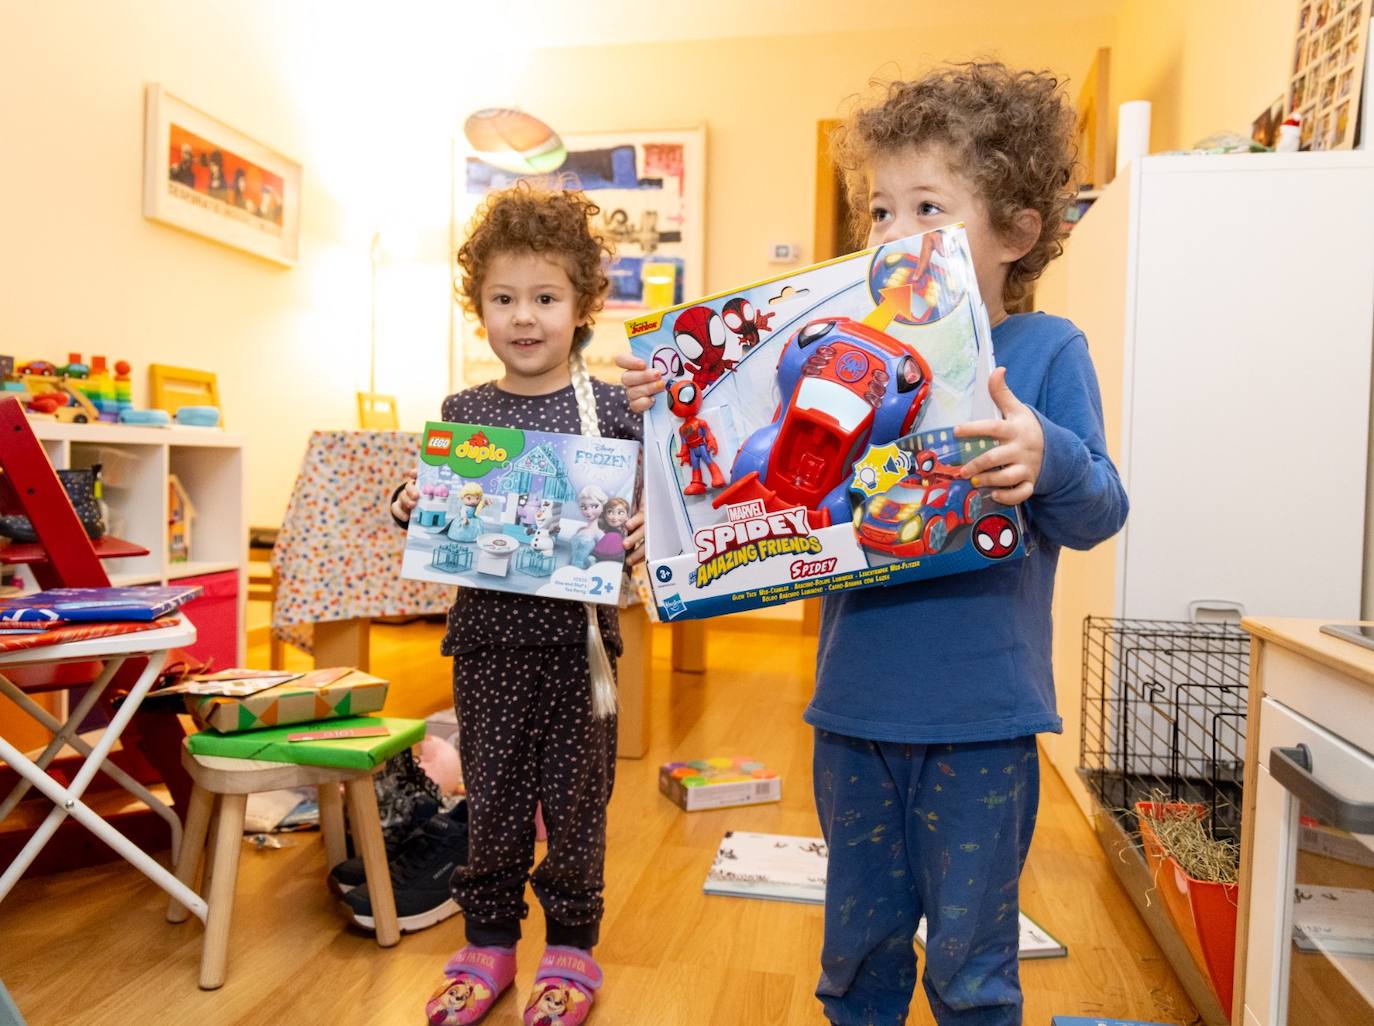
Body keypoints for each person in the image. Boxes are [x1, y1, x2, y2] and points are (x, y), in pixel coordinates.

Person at [618, 62, 1129, 1026]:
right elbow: (768, 482)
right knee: (856, 952)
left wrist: (1044, 454)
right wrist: (673, 417)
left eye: (927, 206)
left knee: (973, 965)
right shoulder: (843, 342)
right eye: (878, 212)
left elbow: (1097, 511)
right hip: (851, 714)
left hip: (984, 723)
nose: (894, 235)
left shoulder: (1047, 351)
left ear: (1016, 230)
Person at [390, 181, 642, 1026]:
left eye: (545, 297)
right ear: (480, 309)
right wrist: (412, 502)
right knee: (491, 797)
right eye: (503, 299)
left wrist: (646, 526)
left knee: (577, 801)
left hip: (582, 648)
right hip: (489, 642)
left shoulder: (610, 409)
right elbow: (444, 503)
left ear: (582, 306)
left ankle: (571, 949)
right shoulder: (465, 414)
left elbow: (659, 504)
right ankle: (488, 944)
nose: (524, 317)